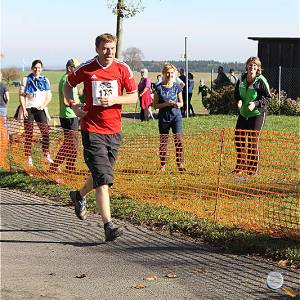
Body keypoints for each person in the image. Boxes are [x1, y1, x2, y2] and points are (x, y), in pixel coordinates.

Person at [64, 33, 137, 242]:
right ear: (97, 49)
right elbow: (68, 85)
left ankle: (78, 195)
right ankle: (108, 225)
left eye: (112, 48)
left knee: (101, 174)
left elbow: (134, 96)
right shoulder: (87, 68)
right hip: (92, 130)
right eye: (105, 48)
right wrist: (73, 105)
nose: (109, 52)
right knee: (104, 178)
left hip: (114, 131)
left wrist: (115, 98)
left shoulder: (123, 68)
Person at [233, 56, 271, 176]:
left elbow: (268, 98)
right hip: (244, 113)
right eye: (250, 65)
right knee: (239, 138)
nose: (252, 67)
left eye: (255, 66)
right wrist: (239, 100)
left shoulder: (261, 80)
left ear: (258, 68)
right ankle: (240, 166)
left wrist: (255, 103)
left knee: (252, 141)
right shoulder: (241, 79)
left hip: (257, 113)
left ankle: (252, 169)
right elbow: (236, 93)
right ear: (247, 66)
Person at [19, 59, 53, 166]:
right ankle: (28, 157)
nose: (37, 69)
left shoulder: (45, 80)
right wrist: (24, 109)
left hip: (40, 109)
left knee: (46, 132)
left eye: (39, 68)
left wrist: (43, 106)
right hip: (28, 109)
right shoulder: (25, 79)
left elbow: (49, 96)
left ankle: (46, 155)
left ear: (41, 69)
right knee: (29, 134)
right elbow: (21, 95)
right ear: (32, 68)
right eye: (35, 67)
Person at [50, 58, 81, 173]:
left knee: (71, 143)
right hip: (69, 116)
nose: (78, 70)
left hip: (70, 115)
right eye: (76, 68)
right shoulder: (66, 80)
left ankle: (68, 167)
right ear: (69, 68)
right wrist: (79, 105)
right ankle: (64, 167)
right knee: (71, 144)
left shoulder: (70, 79)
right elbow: (65, 101)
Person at [153, 63, 185, 172]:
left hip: (176, 117)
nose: (169, 74)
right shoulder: (158, 87)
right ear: (163, 73)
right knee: (163, 142)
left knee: (179, 140)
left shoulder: (177, 86)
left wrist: (177, 104)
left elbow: (182, 103)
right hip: (163, 118)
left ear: (174, 74)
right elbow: (155, 105)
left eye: (171, 73)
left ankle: (180, 163)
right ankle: (163, 165)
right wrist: (166, 104)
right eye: (167, 72)